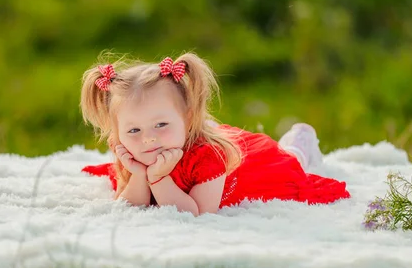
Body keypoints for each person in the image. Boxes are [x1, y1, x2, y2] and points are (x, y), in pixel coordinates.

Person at [80, 53, 350, 216]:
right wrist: (139, 175)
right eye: (134, 130)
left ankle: (300, 142)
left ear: (188, 119)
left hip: (252, 168)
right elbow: (129, 207)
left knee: (291, 163)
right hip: (198, 150)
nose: (148, 138)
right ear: (118, 133)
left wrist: (159, 178)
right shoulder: (131, 151)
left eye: (161, 125)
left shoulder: (209, 156)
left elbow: (195, 213)